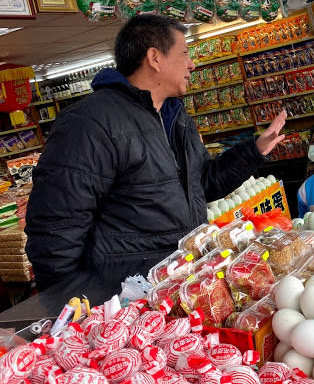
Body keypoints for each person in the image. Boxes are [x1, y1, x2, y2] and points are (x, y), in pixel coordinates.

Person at [25, 15, 286, 291]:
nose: (191, 64)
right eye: (184, 54)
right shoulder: (90, 123)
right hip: (126, 295)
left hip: (176, 285)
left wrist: (253, 152)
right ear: (154, 58)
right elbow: (56, 228)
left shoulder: (175, 116)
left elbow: (201, 183)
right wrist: (77, 303)